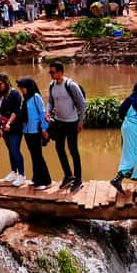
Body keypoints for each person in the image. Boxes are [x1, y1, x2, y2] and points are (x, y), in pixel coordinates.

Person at [47, 61, 86, 192]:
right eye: (50, 72)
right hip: (59, 122)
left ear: (60, 72)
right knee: (59, 148)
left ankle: (78, 179)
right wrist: (48, 112)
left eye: (52, 72)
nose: (50, 74)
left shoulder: (71, 85)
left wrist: (81, 121)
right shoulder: (52, 85)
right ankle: (68, 175)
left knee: (73, 150)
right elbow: (50, 102)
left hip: (71, 122)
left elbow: (82, 103)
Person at [17, 77, 52, 189]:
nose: (21, 90)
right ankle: (37, 179)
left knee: (38, 156)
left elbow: (43, 113)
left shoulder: (36, 97)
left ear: (28, 87)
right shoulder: (25, 99)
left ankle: (46, 181)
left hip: (36, 131)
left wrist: (44, 129)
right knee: (33, 156)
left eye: (22, 88)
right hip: (27, 130)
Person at [0, 73, 26, 188]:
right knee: (10, 150)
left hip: (15, 127)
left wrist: (8, 123)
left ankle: (22, 175)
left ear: (6, 83)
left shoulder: (14, 93)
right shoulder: (1, 95)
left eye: (0, 84)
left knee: (15, 150)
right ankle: (14, 172)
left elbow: (16, 111)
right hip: (4, 127)